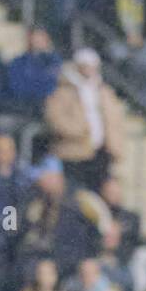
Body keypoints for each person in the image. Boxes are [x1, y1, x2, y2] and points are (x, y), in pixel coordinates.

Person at [44, 48, 126, 192]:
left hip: (101, 151)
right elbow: (56, 119)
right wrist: (80, 130)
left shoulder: (103, 91)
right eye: (86, 66)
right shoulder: (63, 91)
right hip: (74, 152)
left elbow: (114, 118)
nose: (89, 70)